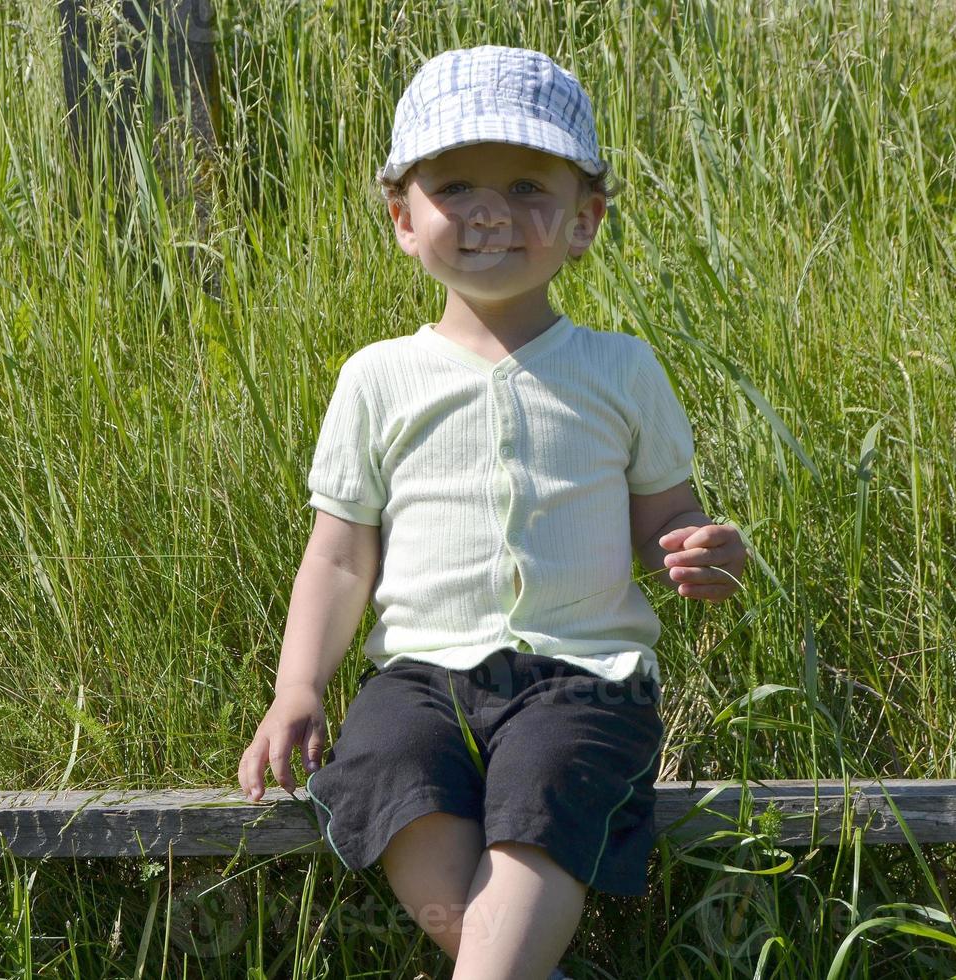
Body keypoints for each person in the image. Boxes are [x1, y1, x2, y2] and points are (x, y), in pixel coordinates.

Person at [238, 44, 746, 980]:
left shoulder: (620, 369)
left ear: (586, 221)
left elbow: (666, 519)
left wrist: (707, 551)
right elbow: (341, 557)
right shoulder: (378, 377)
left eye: (527, 187)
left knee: (547, 784)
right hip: (421, 674)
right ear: (402, 217)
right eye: (456, 186)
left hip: (583, 672)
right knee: (387, 767)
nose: (490, 213)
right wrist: (298, 687)